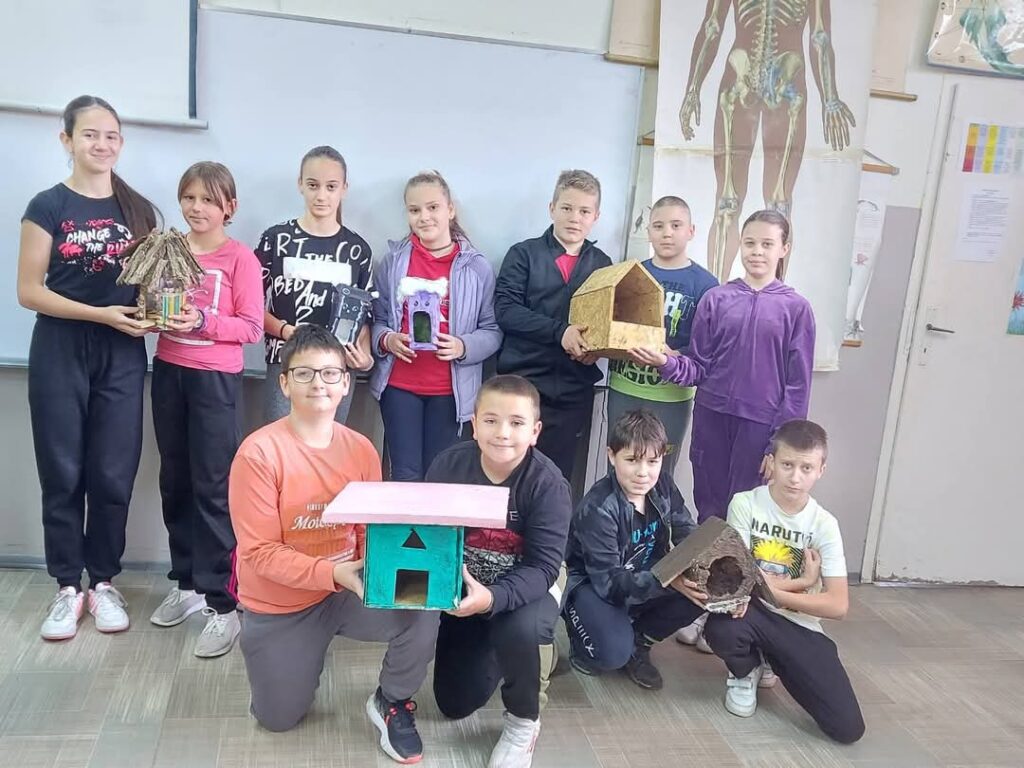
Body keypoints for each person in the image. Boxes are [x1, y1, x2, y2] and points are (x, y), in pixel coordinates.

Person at [229, 324, 439, 763]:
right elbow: (259, 553)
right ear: (284, 383)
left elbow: (366, 529)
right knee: (278, 717)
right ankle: (289, 663)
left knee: (423, 600)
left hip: (345, 588)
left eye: (330, 373)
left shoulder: (361, 449)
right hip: (281, 603)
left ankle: (393, 701)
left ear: (346, 383)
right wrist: (333, 573)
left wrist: (390, 569)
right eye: (304, 373)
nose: (318, 384)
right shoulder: (258, 454)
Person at [18, 95, 158, 641]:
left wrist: (163, 314)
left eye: (111, 135)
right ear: (67, 140)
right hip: (60, 347)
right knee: (62, 470)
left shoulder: (139, 210)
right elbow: (29, 291)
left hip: (121, 352)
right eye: (90, 134)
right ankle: (66, 586)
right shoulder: (47, 206)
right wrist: (99, 314)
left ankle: (103, 582)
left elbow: (153, 288)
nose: (102, 144)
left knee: (112, 471)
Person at [676, 419, 865, 744]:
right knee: (721, 627)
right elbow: (738, 576)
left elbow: (838, 605)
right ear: (771, 462)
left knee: (848, 728)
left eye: (806, 468)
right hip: (751, 613)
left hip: (799, 625)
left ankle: (773, 660)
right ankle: (745, 669)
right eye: (787, 464)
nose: (795, 477)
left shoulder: (824, 524)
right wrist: (803, 581)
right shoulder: (745, 504)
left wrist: (774, 591)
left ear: (821, 470)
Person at [630, 210, 815, 525]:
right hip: (711, 419)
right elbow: (698, 366)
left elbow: (797, 388)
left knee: (747, 513)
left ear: (784, 249)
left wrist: (779, 447)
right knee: (710, 509)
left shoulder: (796, 309)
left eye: (767, 244)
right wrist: (666, 362)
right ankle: (707, 559)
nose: (757, 251)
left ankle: (739, 561)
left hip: (760, 427)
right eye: (750, 243)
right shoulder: (716, 299)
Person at [426, 375, 571, 768]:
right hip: (469, 584)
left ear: (535, 431)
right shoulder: (447, 466)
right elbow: (431, 538)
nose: (503, 433)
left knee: (521, 629)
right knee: (454, 703)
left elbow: (542, 567)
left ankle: (524, 721)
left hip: (530, 581)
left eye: (516, 422)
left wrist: (492, 599)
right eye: (490, 420)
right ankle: (509, 651)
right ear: (474, 424)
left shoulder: (547, 485)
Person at [148, 162, 263, 658]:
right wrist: (152, 316)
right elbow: (152, 305)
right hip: (168, 371)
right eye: (189, 198)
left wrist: (202, 319)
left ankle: (223, 603)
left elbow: (252, 328)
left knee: (213, 488)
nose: (197, 208)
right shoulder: (167, 249)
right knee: (174, 481)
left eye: (208, 200)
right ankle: (188, 584)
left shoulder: (240, 259)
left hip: (215, 379)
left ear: (228, 207)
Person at [370, 170, 501, 481]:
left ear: (450, 210)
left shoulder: (476, 267)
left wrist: (463, 346)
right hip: (400, 388)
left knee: (441, 478)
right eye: (414, 210)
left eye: (433, 207)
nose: (424, 217)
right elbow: (376, 320)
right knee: (404, 475)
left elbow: (493, 331)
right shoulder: (393, 262)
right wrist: (387, 340)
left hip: (451, 394)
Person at [563, 409, 703, 690]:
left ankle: (640, 640)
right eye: (632, 460)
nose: (643, 472)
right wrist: (667, 579)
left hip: (645, 576)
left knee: (702, 591)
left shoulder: (663, 485)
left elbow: (687, 532)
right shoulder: (599, 508)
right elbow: (609, 584)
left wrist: (702, 570)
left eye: (653, 461)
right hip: (594, 588)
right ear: (611, 456)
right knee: (610, 655)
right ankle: (584, 641)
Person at [494, 169, 611, 485]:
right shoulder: (523, 254)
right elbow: (506, 311)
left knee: (556, 480)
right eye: (567, 208)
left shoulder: (603, 265)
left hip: (572, 391)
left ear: (596, 216)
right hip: (522, 386)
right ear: (552, 208)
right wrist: (561, 333)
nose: (575, 218)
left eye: (584, 211)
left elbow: (605, 323)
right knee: (510, 475)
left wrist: (597, 349)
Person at [258, 145, 375, 424]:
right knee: (282, 444)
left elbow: (366, 315)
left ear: (344, 188)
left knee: (329, 445)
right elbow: (249, 306)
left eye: (331, 187)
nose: (321, 195)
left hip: (335, 369)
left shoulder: (357, 250)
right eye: (313, 185)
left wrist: (366, 358)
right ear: (300, 184)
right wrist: (285, 331)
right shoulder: (275, 240)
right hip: (286, 364)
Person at [606, 197, 718, 479]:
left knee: (659, 474)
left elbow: (705, 351)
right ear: (648, 232)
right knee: (618, 468)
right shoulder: (629, 274)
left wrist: (672, 357)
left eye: (676, 225)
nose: (667, 233)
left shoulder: (706, 285)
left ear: (691, 231)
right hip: (624, 388)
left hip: (670, 397)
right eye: (658, 226)